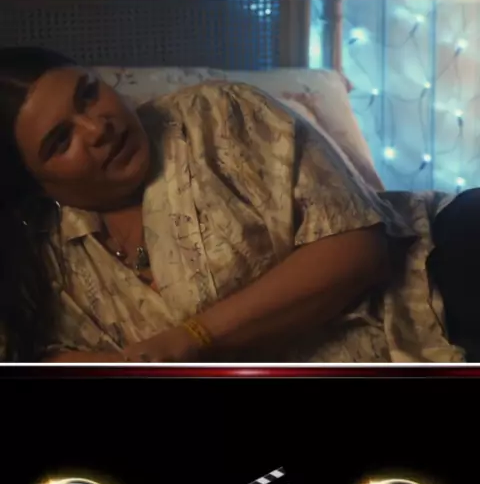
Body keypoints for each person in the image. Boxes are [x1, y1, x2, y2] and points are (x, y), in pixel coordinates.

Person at [0, 47, 465, 363]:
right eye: (61, 141)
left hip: (438, 270)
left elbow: (360, 248)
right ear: (38, 186)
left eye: (88, 94)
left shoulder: (216, 114)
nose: (97, 127)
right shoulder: (47, 266)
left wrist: (193, 338)